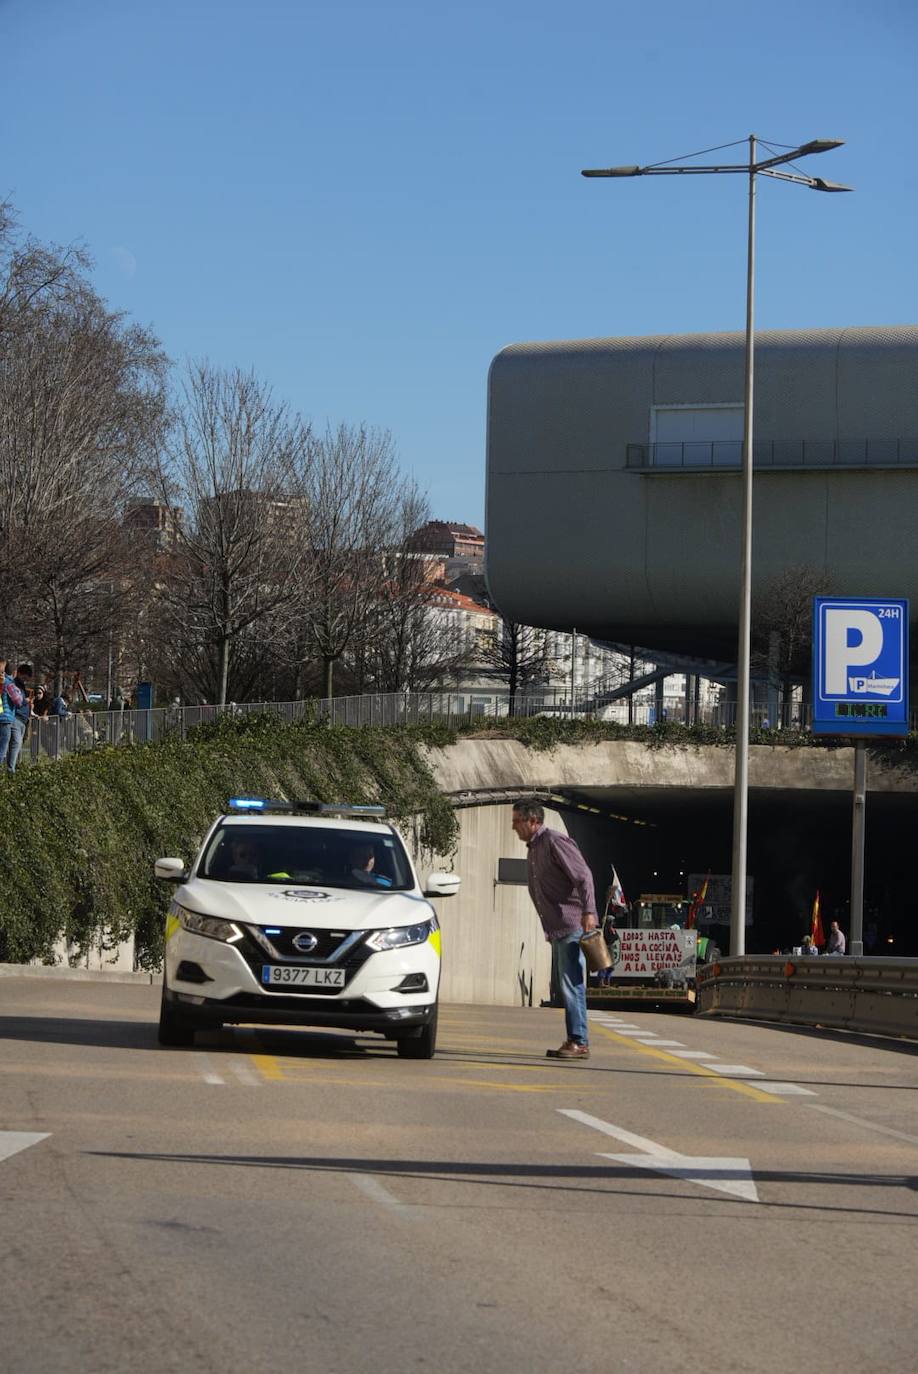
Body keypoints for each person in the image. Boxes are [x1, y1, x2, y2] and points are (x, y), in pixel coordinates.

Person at [511, 798, 598, 1060]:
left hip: (571, 923)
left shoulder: (554, 841)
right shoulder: (535, 846)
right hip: (557, 927)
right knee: (567, 984)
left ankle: (579, 1041)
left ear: (533, 821)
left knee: (571, 984)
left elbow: (583, 876)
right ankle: (576, 1039)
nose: (513, 826)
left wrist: (589, 911)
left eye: (517, 821)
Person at [4, 662, 32, 775]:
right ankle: (10, 770)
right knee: (15, 743)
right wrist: (25, 701)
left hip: (23, 719)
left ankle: (13, 766)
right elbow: (18, 701)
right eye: (24, 678)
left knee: (17, 744)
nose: (25, 680)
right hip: (16, 718)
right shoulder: (13, 684)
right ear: (19, 673)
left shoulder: (21, 685)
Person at [0, 658, 25, 772]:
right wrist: (19, 693)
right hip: (5, 719)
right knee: (2, 750)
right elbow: (18, 701)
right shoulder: (8, 683)